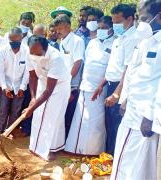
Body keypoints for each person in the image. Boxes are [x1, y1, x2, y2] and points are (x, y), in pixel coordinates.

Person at [110, 1, 161, 179]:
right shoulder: (145, 41)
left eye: (145, 18)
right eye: (140, 18)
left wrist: (150, 115)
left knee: (141, 164)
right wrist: (125, 99)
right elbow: (133, 72)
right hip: (132, 110)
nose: (142, 23)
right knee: (126, 159)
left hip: (147, 117)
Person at [65, 16, 115, 155]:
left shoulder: (114, 44)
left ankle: (93, 151)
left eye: (104, 28)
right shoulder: (92, 43)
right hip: (85, 85)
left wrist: (100, 85)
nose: (100, 30)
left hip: (100, 88)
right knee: (80, 118)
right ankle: (75, 149)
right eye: (99, 28)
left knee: (95, 120)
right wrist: (80, 82)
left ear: (111, 29)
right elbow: (85, 64)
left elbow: (111, 69)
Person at [93, 3, 138, 155]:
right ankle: (108, 158)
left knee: (116, 126)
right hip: (110, 85)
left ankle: (114, 160)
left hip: (120, 88)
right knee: (109, 125)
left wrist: (117, 93)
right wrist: (101, 84)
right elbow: (113, 66)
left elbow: (128, 69)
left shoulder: (132, 38)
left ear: (130, 19)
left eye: (118, 21)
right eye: (113, 21)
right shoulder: (120, 38)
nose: (115, 25)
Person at [24, 35, 71, 161]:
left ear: (46, 49)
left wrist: (31, 108)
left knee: (51, 117)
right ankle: (35, 146)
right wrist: (33, 98)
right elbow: (33, 76)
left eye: (37, 53)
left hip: (59, 86)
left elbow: (49, 91)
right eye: (31, 52)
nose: (34, 55)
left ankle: (47, 149)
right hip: (42, 82)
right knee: (38, 115)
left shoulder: (56, 58)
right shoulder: (29, 53)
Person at [53, 14, 85, 139]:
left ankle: (66, 142)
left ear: (68, 26)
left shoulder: (77, 41)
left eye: (60, 29)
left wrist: (68, 82)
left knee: (69, 115)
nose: (58, 32)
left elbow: (78, 62)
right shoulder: (62, 42)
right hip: (62, 84)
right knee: (61, 114)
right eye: (56, 29)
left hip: (72, 85)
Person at [0, 27, 29, 135]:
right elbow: (0, 71)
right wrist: (4, 88)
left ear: (21, 38)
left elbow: (27, 72)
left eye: (17, 41)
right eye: (11, 41)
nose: (14, 43)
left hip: (20, 85)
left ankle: (9, 132)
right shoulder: (3, 50)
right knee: (2, 110)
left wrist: (22, 87)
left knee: (16, 111)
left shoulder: (26, 51)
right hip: (6, 84)